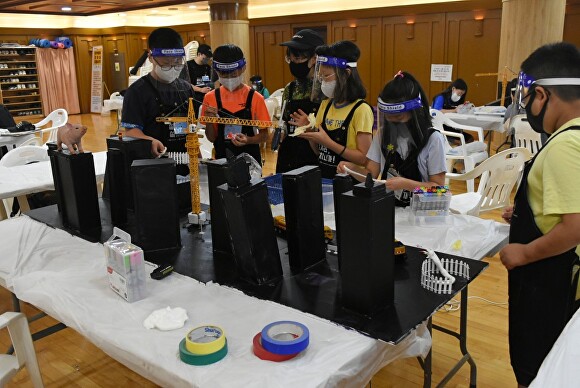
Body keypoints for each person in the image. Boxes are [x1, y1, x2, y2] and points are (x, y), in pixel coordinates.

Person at [499, 42, 580, 388]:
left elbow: (574, 226)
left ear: (543, 95)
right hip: (558, 278)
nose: (529, 108)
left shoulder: (564, 145)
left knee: (537, 365)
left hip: (551, 281)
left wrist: (523, 252)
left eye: (530, 99)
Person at [338, 71, 447, 205]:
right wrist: (351, 169)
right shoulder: (383, 135)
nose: (392, 122)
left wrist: (406, 184)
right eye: (387, 117)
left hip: (422, 212)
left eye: (398, 117)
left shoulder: (433, 139)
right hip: (389, 208)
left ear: (415, 113)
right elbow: (370, 175)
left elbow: (439, 189)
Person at [291, 40, 373, 179]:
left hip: (350, 183)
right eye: (321, 77)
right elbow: (318, 152)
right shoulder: (326, 105)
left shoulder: (361, 110)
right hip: (325, 179)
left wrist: (328, 142)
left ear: (346, 74)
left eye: (327, 76)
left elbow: (363, 159)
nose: (323, 82)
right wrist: (310, 132)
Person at [121, 27, 194, 159]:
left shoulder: (186, 88)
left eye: (177, 62)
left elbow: (190, 127)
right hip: (154, 161)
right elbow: (131, 131)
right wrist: (150, 141)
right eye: (166, 63)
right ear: (150, 57)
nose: (172, 68)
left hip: (185, 159)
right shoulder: (137, 91)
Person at [200, 44, 270, 165]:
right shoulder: (210, 98)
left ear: (243, 68)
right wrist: (210, 121)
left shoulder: (255, 98)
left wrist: (248, 140)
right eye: (223, 74)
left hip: (250, 162)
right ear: (216, 72)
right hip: (222, 161)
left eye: (233, 74)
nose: (229, 78)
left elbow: (265, 136)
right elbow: (211, 138)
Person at [275, 28, 324, 173]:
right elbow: (284, 123)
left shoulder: (325, 90)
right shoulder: (289, 88)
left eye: (298, 59)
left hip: (314, 158)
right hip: (288, 157)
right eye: (290, 59)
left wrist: (309, 127)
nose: (293, 63)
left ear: (314, 58)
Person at [186, 43, 213, 114]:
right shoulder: (188, 66)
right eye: (206, 57)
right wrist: (200, 90)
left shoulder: (207, 67)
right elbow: (185, 84)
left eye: (209, 58)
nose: (207, 60)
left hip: (205, 99)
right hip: (193, 99)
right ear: (199, 54)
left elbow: (210, 81)